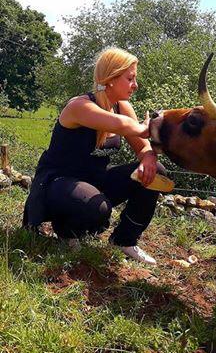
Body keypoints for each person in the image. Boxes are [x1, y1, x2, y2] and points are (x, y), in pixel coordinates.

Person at [23, 47, 164, 265]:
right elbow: (125, 126)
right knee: (97, 209)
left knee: (156, 173)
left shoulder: (122, 107)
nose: (135, 85)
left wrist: (148, 157)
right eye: (130, 78)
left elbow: (142, 146)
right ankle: (67, 232)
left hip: (94, 180)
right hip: (57, 185)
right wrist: (143, 126)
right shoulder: (79, 107)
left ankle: (124, 240)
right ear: (110, 79)